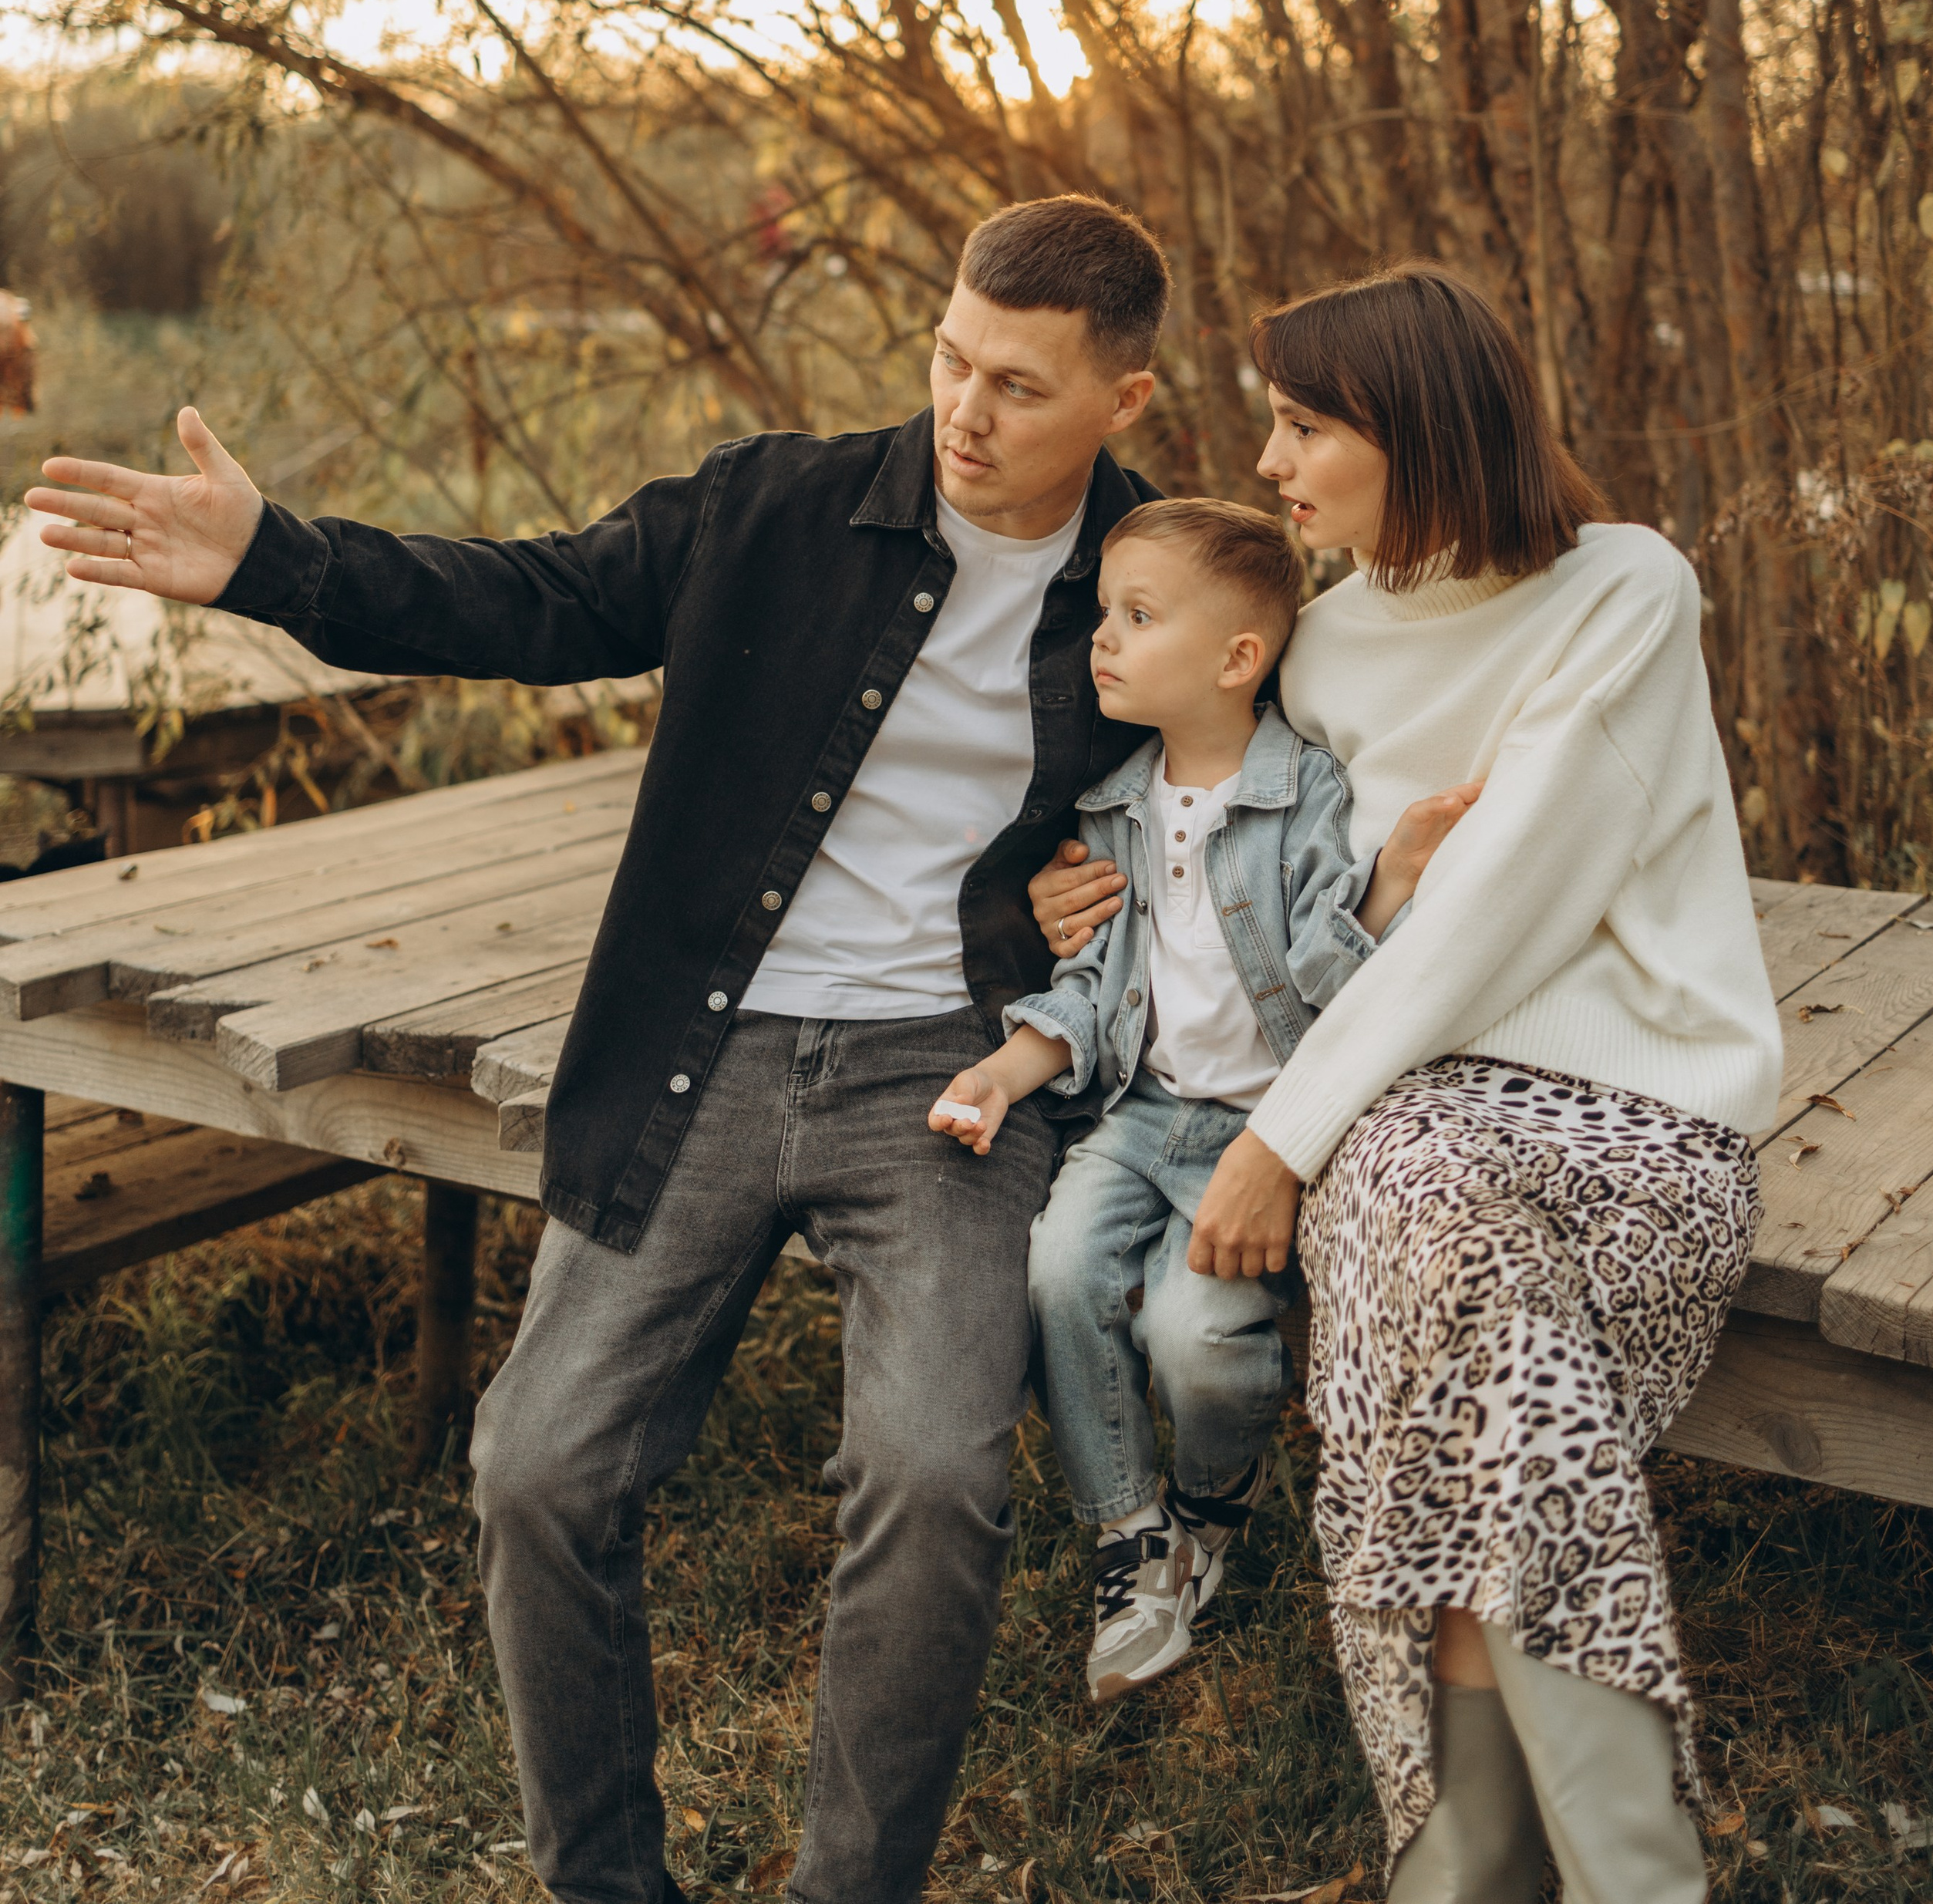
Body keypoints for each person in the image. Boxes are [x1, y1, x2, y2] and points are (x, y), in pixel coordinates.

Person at [26, 194, 1172, 1904]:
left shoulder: (1162, 575)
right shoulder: (775, 507)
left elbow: (1258, 779)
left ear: (1123, 402)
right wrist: (272, 560)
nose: (962, 411)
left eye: (1015, 385)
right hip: (709, 1051)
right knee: (535, 1470)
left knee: (934, 1485)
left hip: (951, 1075)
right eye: (947, 359)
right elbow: (536, 601)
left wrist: (1133, 877)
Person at [1038, 262, 1784, 1904]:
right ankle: (1601, 1868)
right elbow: (1256, 869)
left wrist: (1278, 1145)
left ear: (1418, 426)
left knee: (1436, 1270)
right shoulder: (1316, 650)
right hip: (1400, 1120)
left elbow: (1507, 895)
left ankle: (1479, 1867)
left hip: (1626, 1118)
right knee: (1449, 1270)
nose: (1275, 465)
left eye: (1305, 427)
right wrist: (1078, 893)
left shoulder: (1623, 590)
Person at [931, 496, 1480, 1703]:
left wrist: (1384, 883)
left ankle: (1210, 1508)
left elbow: (1342, 990)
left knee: (1203, 1345)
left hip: (1264, 1132)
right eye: (1104, 615)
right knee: (1058, 1269)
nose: (1103, 642)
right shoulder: (1114, 807)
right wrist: (1004, 1073)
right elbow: (1095, 992)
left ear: (1238, 659)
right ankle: (1131, 1536)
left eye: (1137, 618)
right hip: (1141, 1115)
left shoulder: (1308, 798)